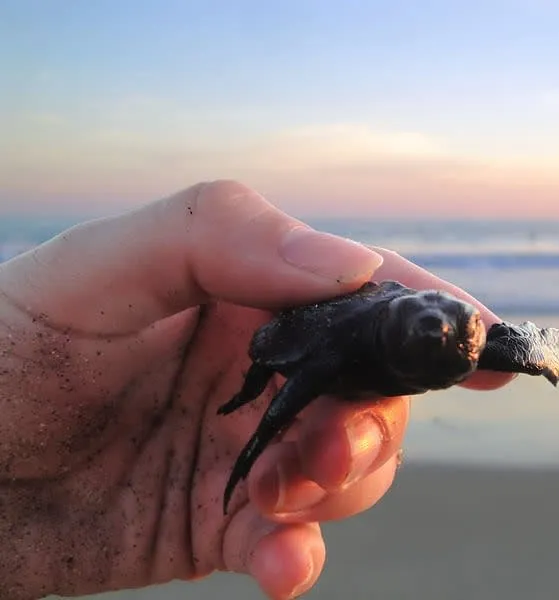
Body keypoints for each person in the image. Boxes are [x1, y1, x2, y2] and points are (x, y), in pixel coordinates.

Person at [0, 180, 512, 600]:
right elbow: (284, 396)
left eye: (452, 332)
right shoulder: (342, 345)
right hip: (306, 333)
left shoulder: (463, 340)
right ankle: (245, 410)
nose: (438, 330)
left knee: (321, 454)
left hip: (355, 345)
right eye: (429, 323)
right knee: (271, 404)